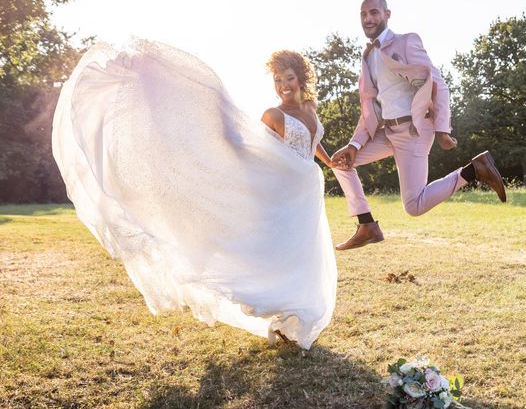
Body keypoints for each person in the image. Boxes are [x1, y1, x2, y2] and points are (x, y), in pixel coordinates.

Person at [52, 39, 337, 349]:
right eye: (277, 79)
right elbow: (259, 150)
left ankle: (294, 319)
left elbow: (311, 138)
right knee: (280, 251)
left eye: (288, 77)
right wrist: (219, 121)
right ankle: (283, 311)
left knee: (305, 253)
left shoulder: (310, 108)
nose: (282, 85)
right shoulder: (272, 114)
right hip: (282, 192)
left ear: (301, 78)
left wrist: (329, 160)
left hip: (307, 190)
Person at [331, 0, 507, 251]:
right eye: (363, 14)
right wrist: (354, 144)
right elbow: (371, 105)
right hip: (387, 130)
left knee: (414, 206)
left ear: (387, 14)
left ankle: (474, 171)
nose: (368, 19)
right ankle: (366, 224)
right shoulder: (368, 55)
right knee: (341, 163)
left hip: (414, 130)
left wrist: (443, 130)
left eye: (374, 12)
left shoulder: (406, 42)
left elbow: (439, 84)